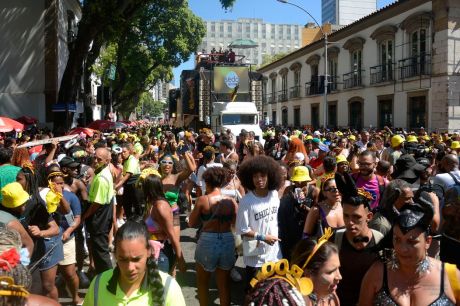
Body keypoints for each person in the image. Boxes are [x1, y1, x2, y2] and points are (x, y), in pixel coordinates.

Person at [359, 203, 459, 306]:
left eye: (411, 242)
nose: (403, 249)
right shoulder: (378, 273)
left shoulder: (451, 275)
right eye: (397, 240)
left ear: (428, 242)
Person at [83, 220, 186, 306]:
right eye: (123, 259)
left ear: (149, 252)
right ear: (115, 255)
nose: (130, 267)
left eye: (136, 259)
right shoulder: (98, 284)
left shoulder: (169, 288)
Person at [189, 167, 238, 306]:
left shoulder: (202, 200)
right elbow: (237, 223)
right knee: (224, 285)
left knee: (203, 284)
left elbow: (192, 223)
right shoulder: (231, 201)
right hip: (227, 239)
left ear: (207, 182)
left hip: (208, 240)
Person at [235, 155, 283, 289]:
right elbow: (242, 230)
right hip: (255, 259)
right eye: (255, 176)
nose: (259, 179)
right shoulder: (246, 201)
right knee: (254, 295)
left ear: (270, 176)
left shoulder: (274, 195)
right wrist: (263, 237)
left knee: (274, 293)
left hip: (275, 255)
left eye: (262, 175)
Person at [335, 189, 384, 306]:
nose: (350, 222)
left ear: (369, 216)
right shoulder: (335, 239)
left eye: (356, 217)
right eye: (346, 216)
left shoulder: (380, 242)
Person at [140, 170, 185, 275]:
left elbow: (172, 235)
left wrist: (180, 260)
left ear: (149, 188)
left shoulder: (160, 206)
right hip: (152, 251)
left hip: (162, 254)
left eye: (143, 185)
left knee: (160, 288)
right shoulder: (151, 203)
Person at [82, 147, 114, 275]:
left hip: (100, 215)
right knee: (98, 248)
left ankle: (108, 279)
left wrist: (85, 216)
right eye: (94, 157)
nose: (95, 160)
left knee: (101, 250)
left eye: (99, 159)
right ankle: (101, 275)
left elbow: (97, 203)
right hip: (102, 213)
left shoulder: (102, 177)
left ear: (106, 161)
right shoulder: (101, 171)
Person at [291, 229, 342, 306]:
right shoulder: (295, 302)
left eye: (338, 268)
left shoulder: (331, 296)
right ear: (308, 273)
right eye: (330, 272)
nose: (339, 277)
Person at [278, 166, 318, 260]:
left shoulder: (315, 191)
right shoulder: (289, 190)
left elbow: (317, 214)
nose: (299, 184)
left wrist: (303, 206)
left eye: (303, 181)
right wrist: (290, 199)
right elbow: (284, 209)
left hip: (307, 229)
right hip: (291, 228)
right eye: (297, 181)